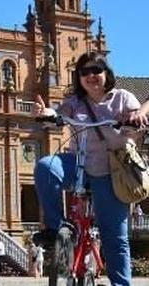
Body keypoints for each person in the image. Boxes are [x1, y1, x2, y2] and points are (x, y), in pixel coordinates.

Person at [32, 51, 145, 285]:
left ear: (107, 73)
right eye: (85, 72)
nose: (91, 76)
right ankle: (56, 229)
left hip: (110, 172)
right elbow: (58, 112)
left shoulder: (122, 97)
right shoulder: (76, 102)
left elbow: (141, 110)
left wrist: (137, 116)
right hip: (77, 164)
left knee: (115, 238)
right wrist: (47, 114)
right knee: (45, 167)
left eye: (96, 70)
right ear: (79, 77)